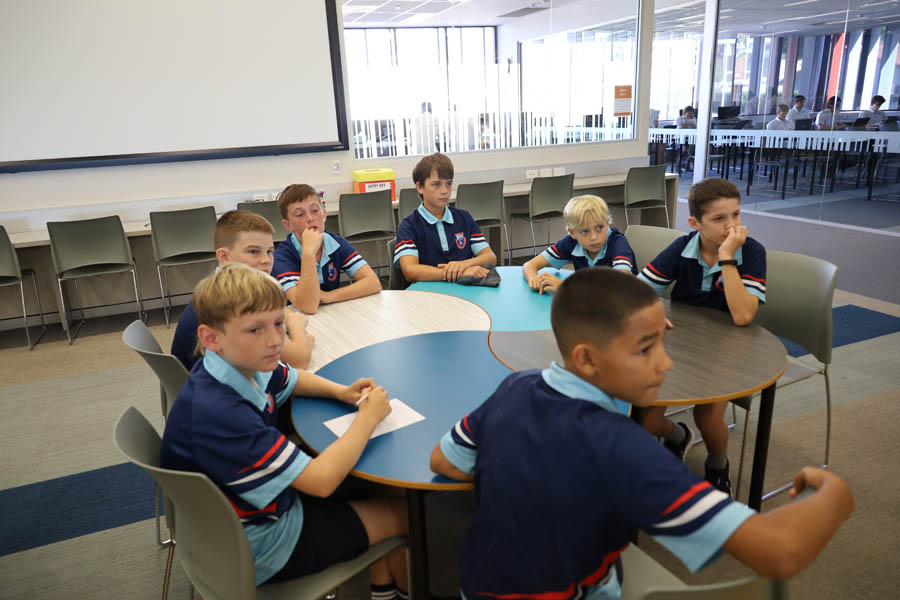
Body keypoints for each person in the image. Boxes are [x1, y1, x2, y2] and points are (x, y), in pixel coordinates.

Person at [430, 268, 853, 600]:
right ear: (586, 359)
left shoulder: (515, 386)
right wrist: (836, 492)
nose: (665, 364)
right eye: (645, 349)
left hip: (477, 587)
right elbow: (780, 550)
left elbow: (444, 461)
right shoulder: (621, 447)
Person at [161, 264, 409, 592]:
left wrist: (343, 392)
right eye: (255, 330)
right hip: (264, 542)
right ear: (211, 337)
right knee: (409, 513)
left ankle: (384, 587)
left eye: (279, 323)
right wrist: (367, 418)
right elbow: (321, 481)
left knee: (378, 481)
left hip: (248, 510)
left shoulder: (233, 364)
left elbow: (290, 377)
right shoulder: (223, 413)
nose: (275, 340)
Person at [636, 178, 766, 495]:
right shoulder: (684, 247)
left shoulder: (751, 252)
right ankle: (678, 436)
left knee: (707, 416)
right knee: (645, 418)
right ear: (695, 223)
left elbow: (743, 315)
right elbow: (637, 291)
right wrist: (653, 309)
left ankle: (718, 465)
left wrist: (727, 257)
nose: (731, 226)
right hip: (683, 343)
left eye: (736, 215)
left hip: (730, 347)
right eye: (719, 218)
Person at [171, 210, 314, 372]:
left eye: (269, 251)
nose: (266, 260)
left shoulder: (220, 285)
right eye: (253, 252)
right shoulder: (234, 299)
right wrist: (297, 326)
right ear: (224, 257)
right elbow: (301, 360)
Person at [272, 184, 381, 315]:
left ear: (324, 214)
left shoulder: (335, 243)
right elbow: (308, 307)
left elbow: (373, 283)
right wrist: (308, 253)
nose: (310, 218)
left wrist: (328, 296)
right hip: (295, 320)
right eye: (300, 214)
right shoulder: (282, 257)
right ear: (288, 225)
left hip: (330, 315)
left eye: (315, 210)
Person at [394, 153, 497, 283]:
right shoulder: (409, 225)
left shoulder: (464, 218)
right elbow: (410, 270)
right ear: (420, 187)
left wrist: (463, 265)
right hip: (427, 292)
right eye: (436, 184)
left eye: (448, 184)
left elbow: (490, 257)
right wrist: (458, 274)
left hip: (463, 290)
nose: (444, 191)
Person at [522, 194, 636, 295]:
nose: (593, 237)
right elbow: (529, 265)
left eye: (599, 228)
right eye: (585, 231)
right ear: (572, 233)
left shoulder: (618, 243)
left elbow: (619, 285)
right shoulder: (571, 243)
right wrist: (534, 279)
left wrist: (566, 287)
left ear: (607, 224)